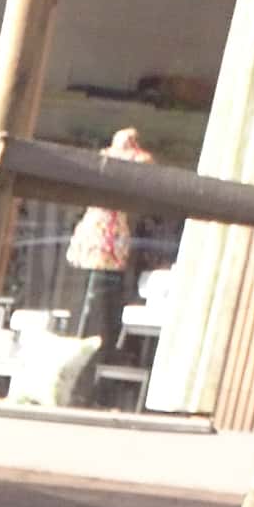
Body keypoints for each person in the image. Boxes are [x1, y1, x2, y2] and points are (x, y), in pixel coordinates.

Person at [67, 127, 153, 359]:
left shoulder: (133, 160)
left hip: (109, 229)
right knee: (93, 290)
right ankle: (85, 338)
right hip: (97, 227)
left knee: (101, 290)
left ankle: (96, 344)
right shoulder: (109, 158)